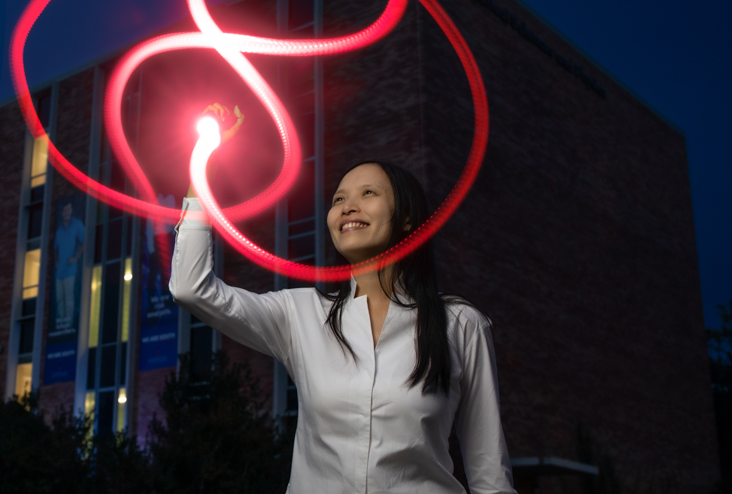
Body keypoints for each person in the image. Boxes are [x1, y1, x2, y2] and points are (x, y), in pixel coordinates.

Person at [170, 104, 515, 494]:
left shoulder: (461, 323)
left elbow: (490, 472)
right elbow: (190, 287)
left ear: (406, 218)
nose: (348, 206)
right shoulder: (300, 315)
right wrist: (203, 162)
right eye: (338, 199)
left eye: (368, 194)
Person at [54, 200, 86, 330]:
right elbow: (55, 247)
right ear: (62, 213)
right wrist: (56, 262)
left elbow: (84, 241)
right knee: (60, 299)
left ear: (71, 210)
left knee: (69, 298)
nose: (66, 212)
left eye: (68, 209)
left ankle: (69, 324)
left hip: (70, 270)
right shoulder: (59, 230)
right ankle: (62, 323)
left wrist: (76, 257)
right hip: (59, 272)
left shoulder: (77, 225)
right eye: (64, 210)